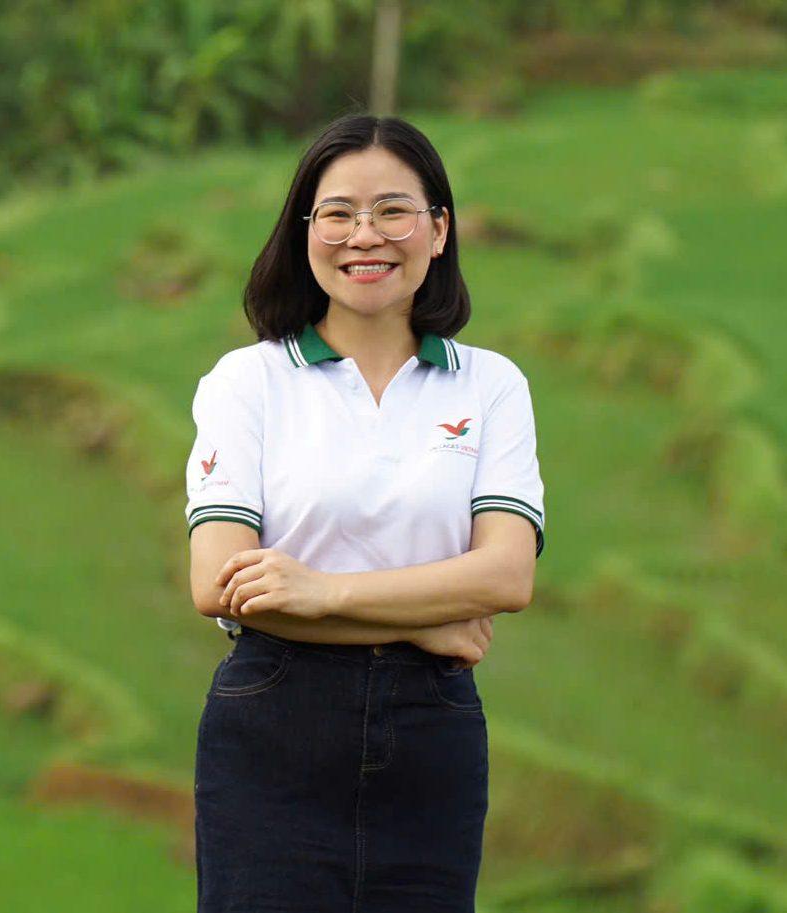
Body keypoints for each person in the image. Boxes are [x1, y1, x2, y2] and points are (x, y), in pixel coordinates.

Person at [185, 113, 545, 913]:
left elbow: (506, 574)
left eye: (392, 211)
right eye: (338, 213)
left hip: (431, 742)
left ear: (439, 229)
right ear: (305, 231)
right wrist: (427, 619)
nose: (365, 236)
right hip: (273, 730)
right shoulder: (249, 382)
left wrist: (325, 593)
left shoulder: (490, 386)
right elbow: (219, 582)